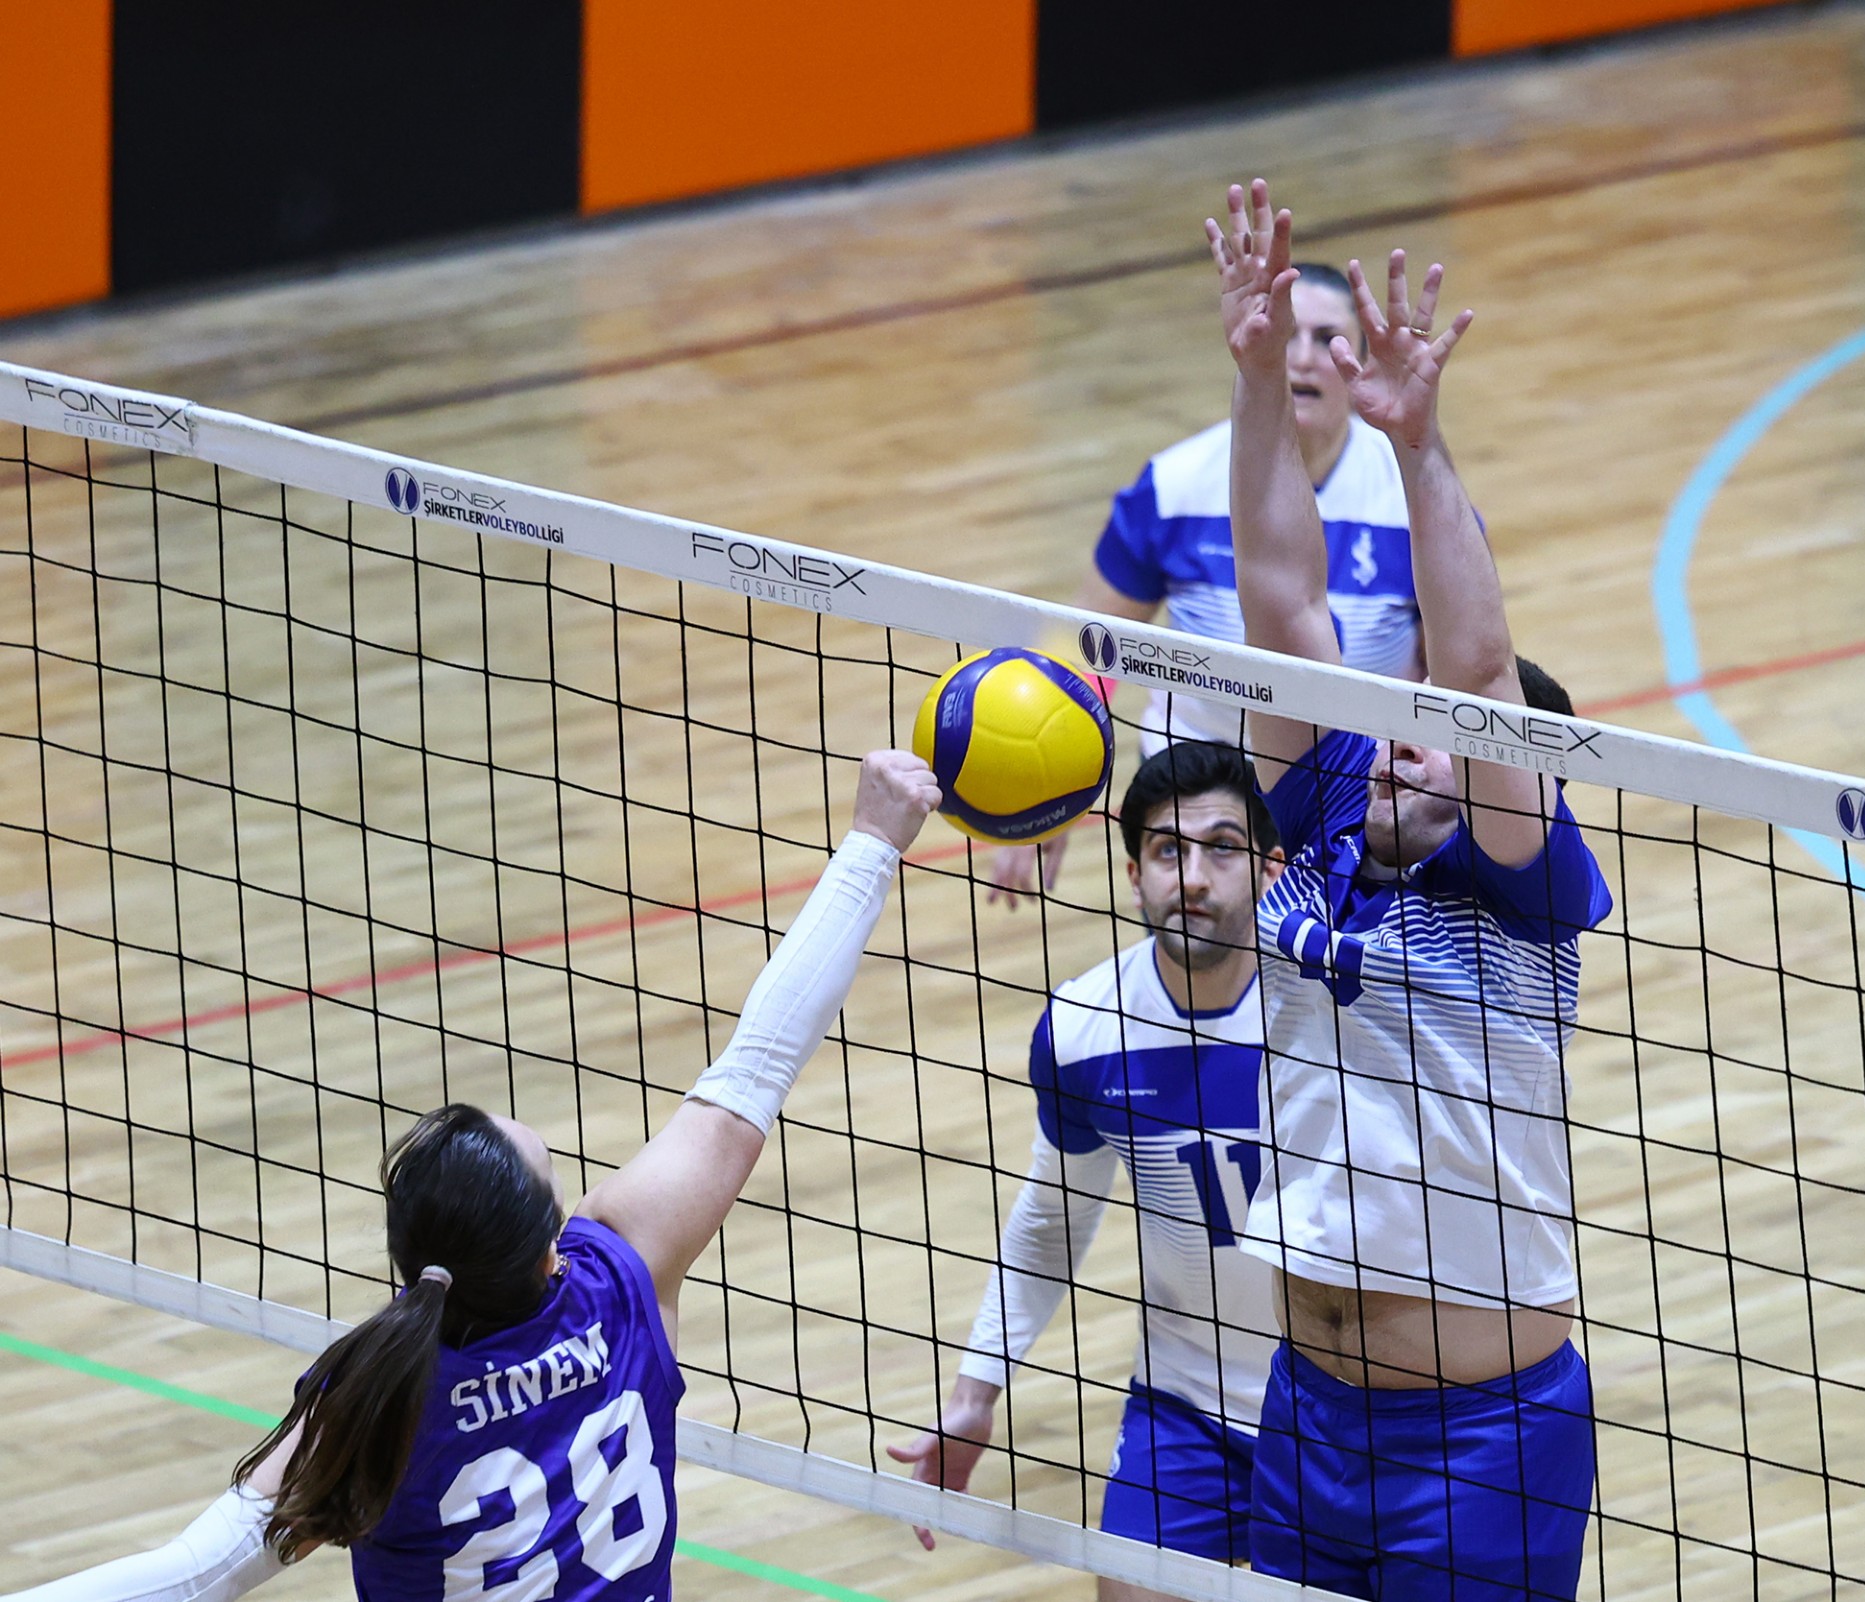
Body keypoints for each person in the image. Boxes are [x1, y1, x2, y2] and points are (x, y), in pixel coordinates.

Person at [10, 750, 940, 1602]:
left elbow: (192, 1575)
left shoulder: (379, 1396)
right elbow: (756, 1067)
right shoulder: (621, 1281)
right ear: (550, 1253)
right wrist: (872, 842)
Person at [1209, 181, 1613, 1601]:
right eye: (1402, 712)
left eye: (1440, 730)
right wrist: (1260, 376)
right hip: (1307, 1410)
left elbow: (1484, 669)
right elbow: (1278, 595)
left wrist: (1417, 442)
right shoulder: (1323, 809)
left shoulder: (1517, 882)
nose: (1407, 735)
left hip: (1484, 1439)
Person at [891, 741, 1284, 1599]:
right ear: (1134, 876)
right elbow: (1051, 1223)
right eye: (1167, 852)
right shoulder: (1083, 1028)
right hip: (1185, 1401)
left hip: (1346, 1409)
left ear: (1269, 870)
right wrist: (976, 1391)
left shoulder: (1332, 1010)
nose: (1193, 878)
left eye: (1222, 849)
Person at [991, 241, 1422, 905]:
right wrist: (1048, 792)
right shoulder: (1175, 486)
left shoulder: (1410, 498)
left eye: (1327, 339)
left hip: (1355, 802)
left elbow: (1452, 677)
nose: (1303, 356)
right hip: (1199, 800)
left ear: (1360, 363)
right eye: (1287, 335)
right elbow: (1086, 650)